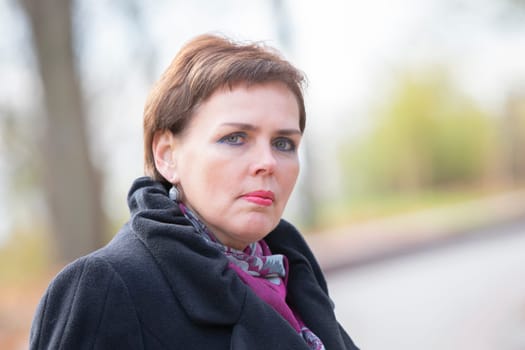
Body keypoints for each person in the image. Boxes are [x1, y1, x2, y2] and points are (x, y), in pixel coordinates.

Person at [29, 34, 360, 350]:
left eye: (283, 143)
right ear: (167, 155)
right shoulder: (105, 287)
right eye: (235, 137)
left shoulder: (291, 277)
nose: (267, 162)